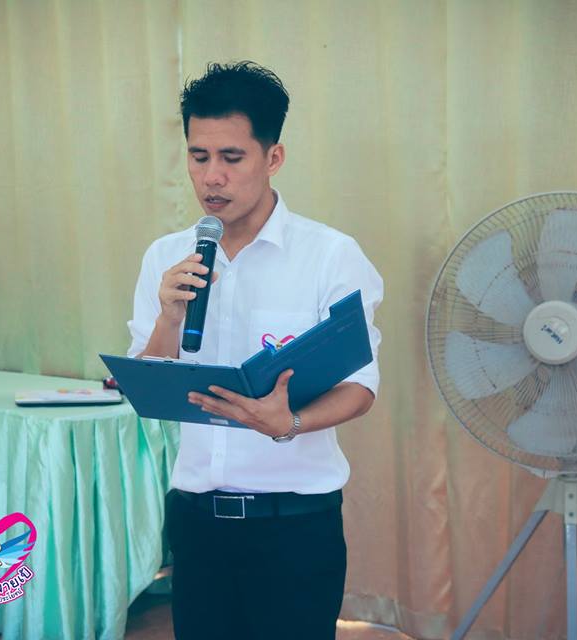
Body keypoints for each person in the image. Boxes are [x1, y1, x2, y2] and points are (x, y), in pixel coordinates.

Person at [127, 62, 383, 640]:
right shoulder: (166, 257)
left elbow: (361, 386)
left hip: (295, 525)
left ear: (273, 157)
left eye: (232, 157)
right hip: (197, 521)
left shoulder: (330, 256)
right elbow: (148, 386)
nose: (211, 177)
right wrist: (169, 318)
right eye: (198, 157)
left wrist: (289, 422)